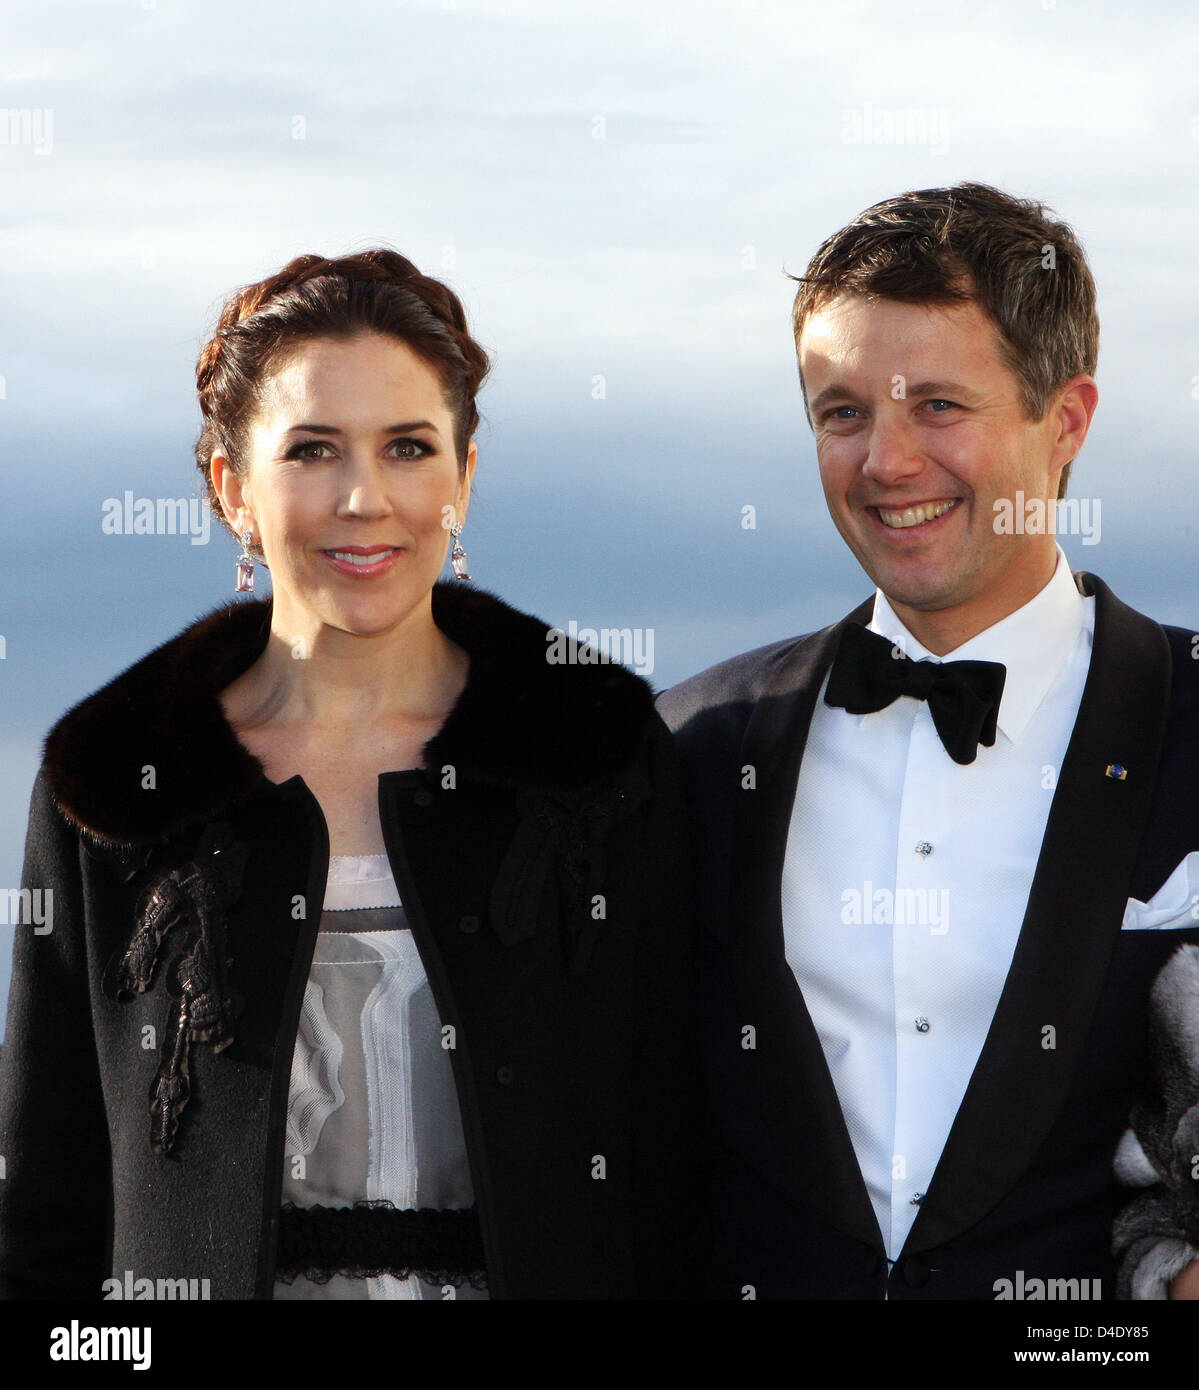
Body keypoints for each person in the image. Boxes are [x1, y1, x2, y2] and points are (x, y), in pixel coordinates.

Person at [0, 249, 699, 1300]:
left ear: (462, 480)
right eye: (314, 450)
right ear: (232, 487)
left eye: (409, 447)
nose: (365, 498)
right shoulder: (116, 790)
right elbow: (47, 1204)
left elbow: (687, 1158)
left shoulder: (597, 760)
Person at [658, 182, 1199, 1300]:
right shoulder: (695, 746)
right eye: (841, 411)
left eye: (937, 406)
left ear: (1065, 420)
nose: (885, 463)